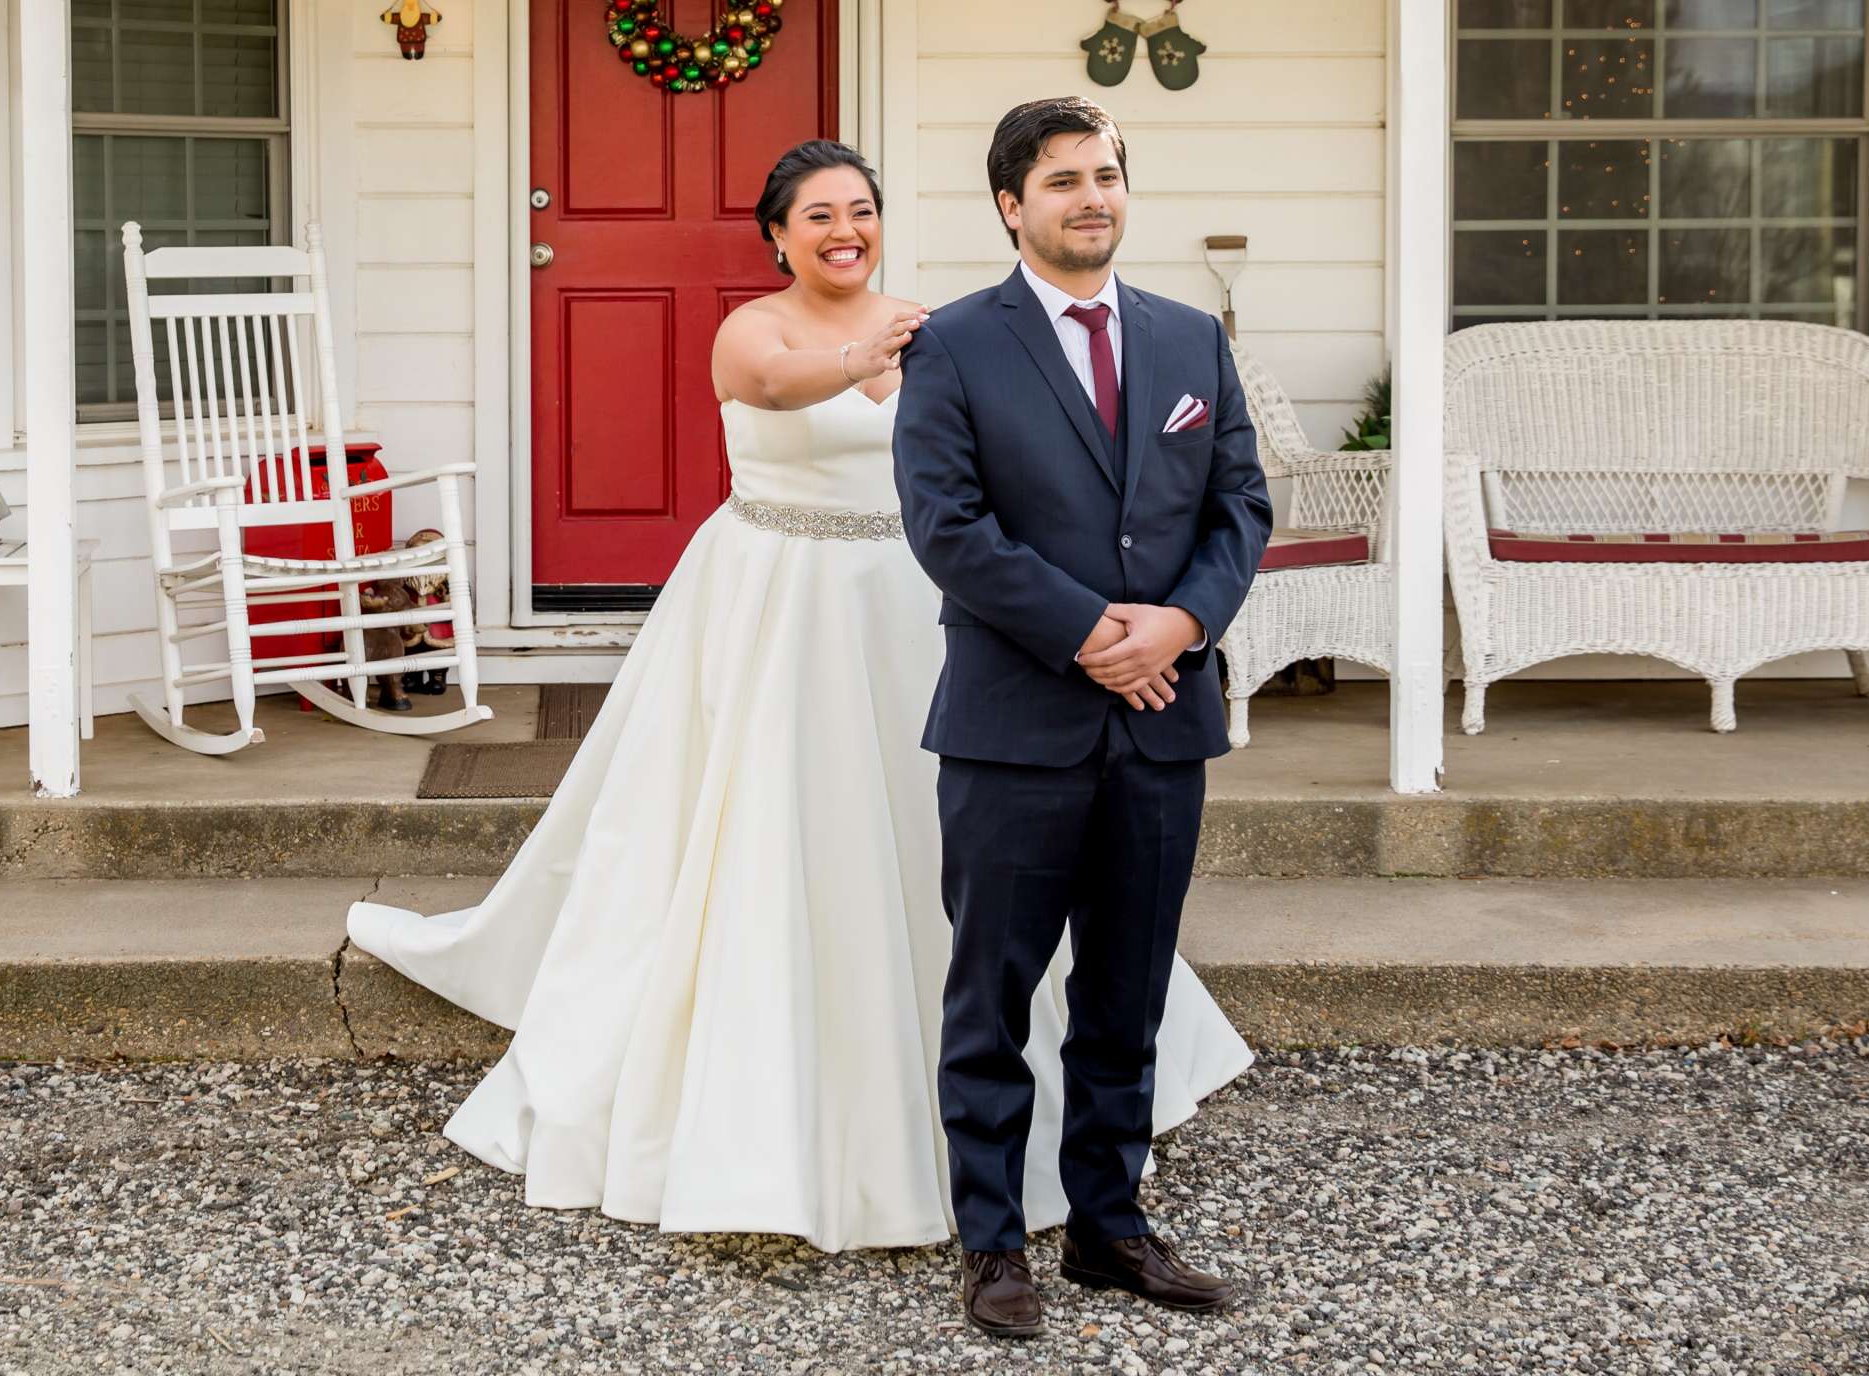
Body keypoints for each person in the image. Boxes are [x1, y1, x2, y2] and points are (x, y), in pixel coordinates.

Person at [346, 138, 1251, 1257]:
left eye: (861, 210)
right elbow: (771, 388)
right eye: (818, 214)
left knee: (947, 845)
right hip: (780, 601)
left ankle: (1055, 1152)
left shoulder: (944, 327)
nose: (844, 230)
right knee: (777, 829)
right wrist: (872, 352)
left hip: (915, 605)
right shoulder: (756, 328)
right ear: (777, 233)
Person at [893, 98, 1272, 1336]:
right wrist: (1097, 635)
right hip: (1015, 726)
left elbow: (1240, 506)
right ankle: (994, 1243)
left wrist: (1183, 624)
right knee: (991, 995)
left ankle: (1111, 1227)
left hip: (1165, 721)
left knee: (1125, 990)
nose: (1090, 197)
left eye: (1105, 175)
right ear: (1012, 204)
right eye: (1062, 180)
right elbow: (948, 528)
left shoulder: (1188, 340)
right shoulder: (953, 344)